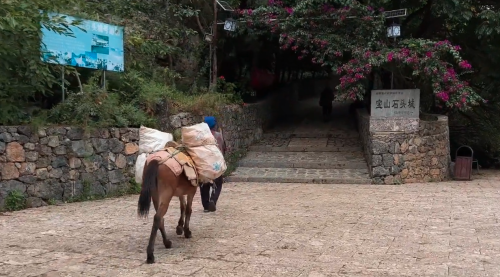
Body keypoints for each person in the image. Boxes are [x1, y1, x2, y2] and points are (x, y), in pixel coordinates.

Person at [200, 116, 226, 212]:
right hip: (216, 165)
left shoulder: (200, 136)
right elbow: (223, 149)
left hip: (203, 165)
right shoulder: (218, 135)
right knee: (218, 183)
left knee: (204, 185)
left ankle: (206, 206)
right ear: (214, 125)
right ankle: (213, 200)